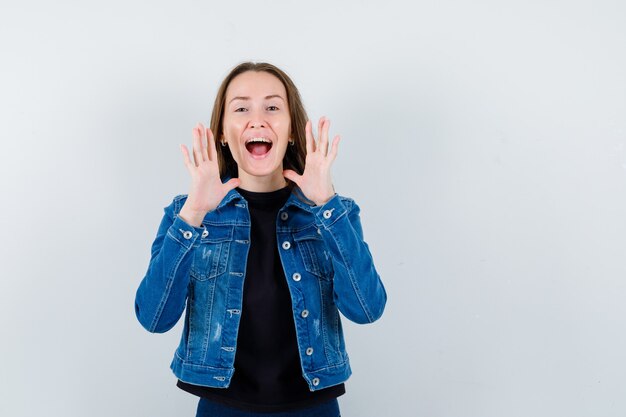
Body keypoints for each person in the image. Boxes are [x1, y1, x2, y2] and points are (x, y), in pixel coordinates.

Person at [134, 62, 387, 417]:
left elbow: (367, 310)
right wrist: (192, 214)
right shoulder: (187, 213)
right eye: (240, 108)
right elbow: (154, 317)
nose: (257, 120)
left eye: (272, 107)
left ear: (293, 131)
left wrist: (326, 204)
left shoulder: (334, 213)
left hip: (313, 407)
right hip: (222, 407)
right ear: (222, 132)